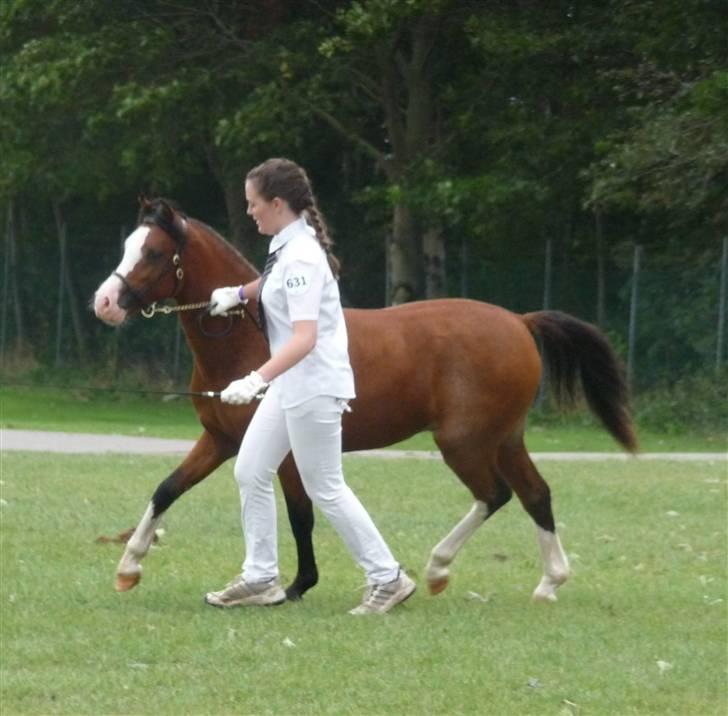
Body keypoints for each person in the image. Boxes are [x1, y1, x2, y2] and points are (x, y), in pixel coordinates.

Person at [205, 158, 415, 615]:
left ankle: (388, 577)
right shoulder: (288, 245)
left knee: (325, 486)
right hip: (291, 385)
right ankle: (261, 577)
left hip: (312, 385)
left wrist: (256, 378)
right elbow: (275, 284)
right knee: (251, 470)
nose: (250, 212)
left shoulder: (301, 256)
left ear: (277, 203)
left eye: (253, 204)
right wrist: (238, 294)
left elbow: (304, 337)